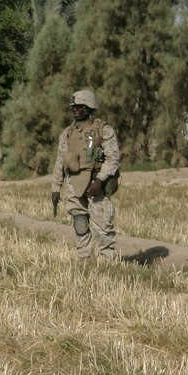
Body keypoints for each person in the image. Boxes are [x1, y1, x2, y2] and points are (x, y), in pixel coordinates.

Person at [51, 89, 121, 261]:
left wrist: (99, 180)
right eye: (73, 107)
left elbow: (113, 159)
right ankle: (84, 260)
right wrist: (55, 187)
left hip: (97, 185)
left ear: (89, 107)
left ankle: (107, 263)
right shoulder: (67, 133)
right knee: (80, 223)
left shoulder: (103, 130)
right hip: (74, 184)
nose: (75, 110)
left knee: (103, 226)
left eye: (79, 107)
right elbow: (60, 161)